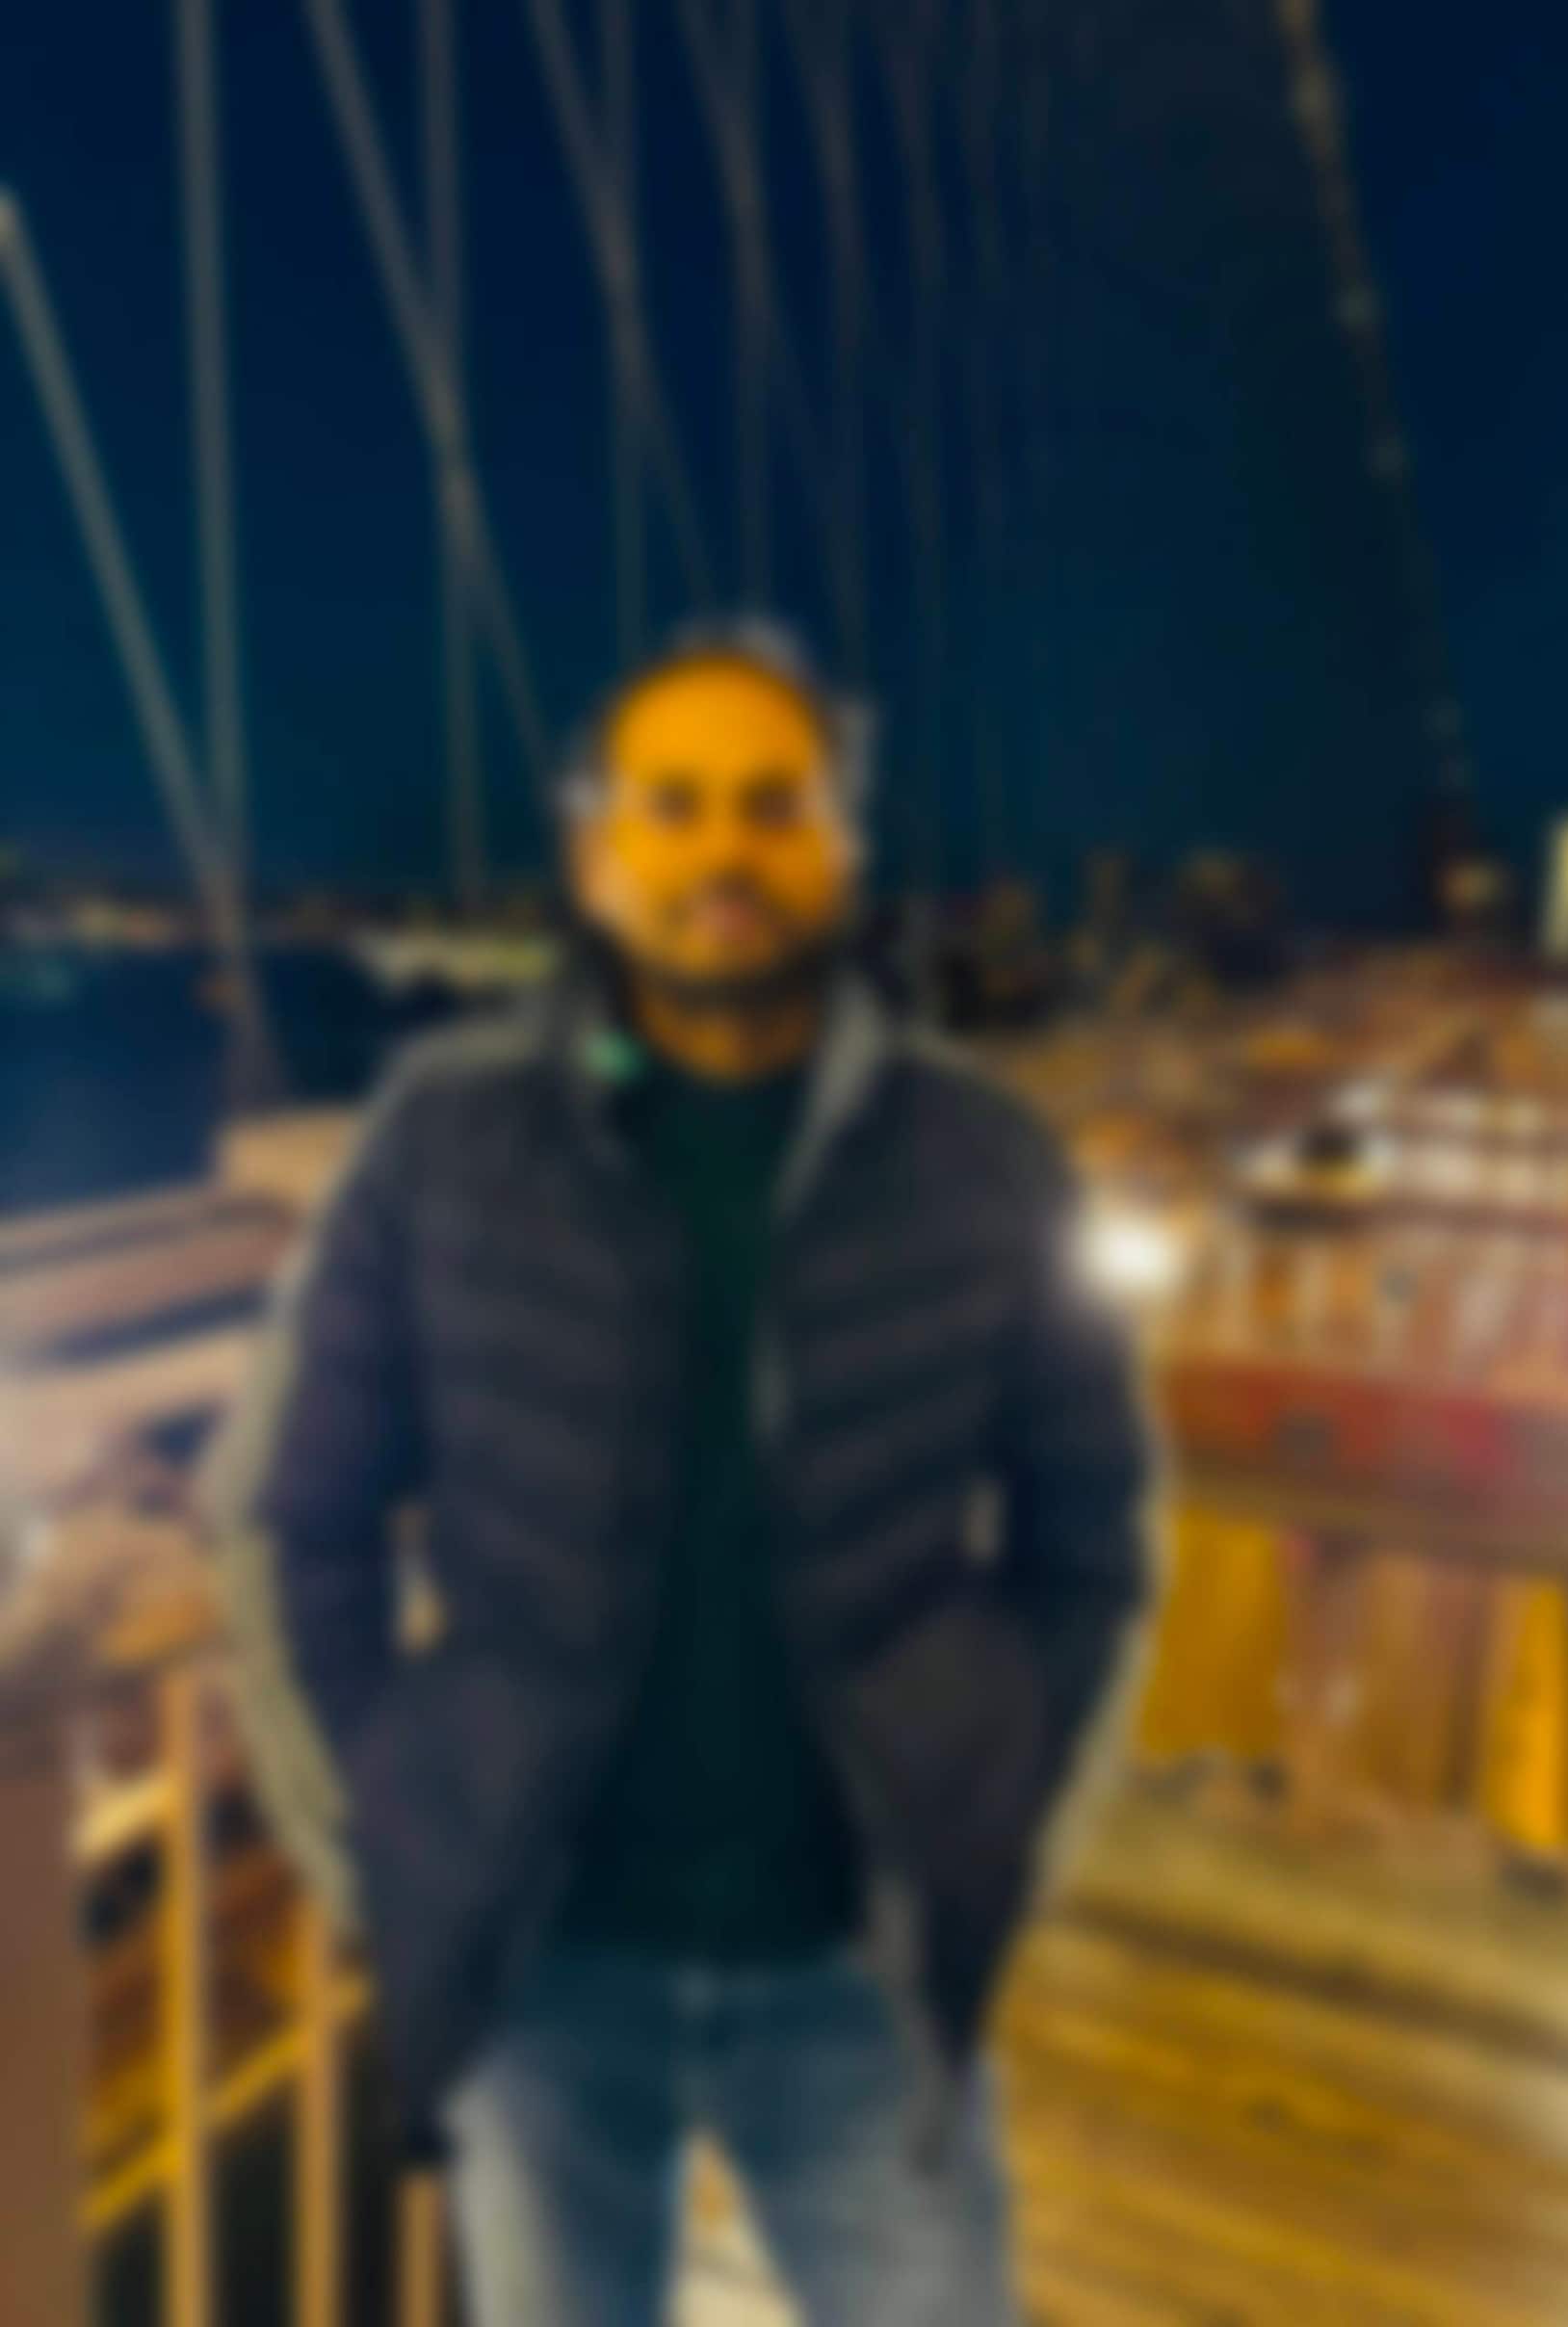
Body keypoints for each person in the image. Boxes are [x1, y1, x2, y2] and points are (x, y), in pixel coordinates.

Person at [200, 621, 1155, 2324]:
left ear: (843, 850)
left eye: (776, 805)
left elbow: (1095, 1535)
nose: (725, 849)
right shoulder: (442, 1138)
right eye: (674, 804)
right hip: (536, 1965)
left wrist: (1006, 1818)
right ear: (595, 855)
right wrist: (384, 1836)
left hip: (862, 1975)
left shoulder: (987, 1157)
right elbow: (287, 1512)